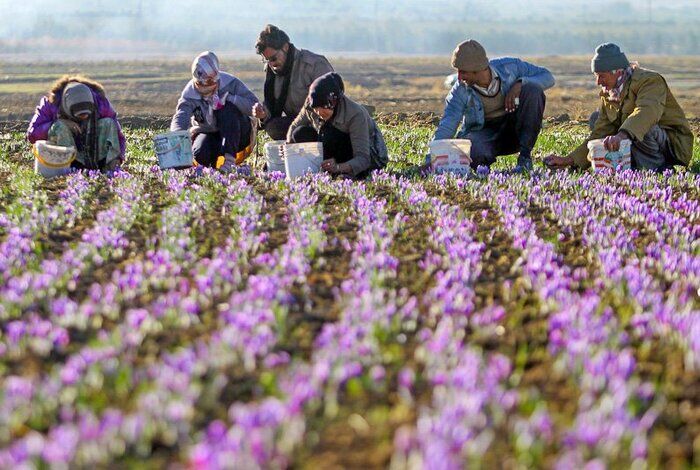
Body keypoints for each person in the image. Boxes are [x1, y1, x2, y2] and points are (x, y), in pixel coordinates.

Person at [545, 43, 693, 171]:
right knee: (596, 119)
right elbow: (600, 132)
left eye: (601, 75)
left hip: (671, 145)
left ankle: (656, 169)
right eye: (596, 75)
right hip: (640, 145)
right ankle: (630, 165)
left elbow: (647, 112)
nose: (598, 82)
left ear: (618, 72)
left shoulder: (650, 81)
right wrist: (569, 160)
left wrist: (622, 135)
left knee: (641, 125)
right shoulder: (610, 94)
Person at [432, 39, 555, 173]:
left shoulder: (510, 67)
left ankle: (525, 158)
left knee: (532, 89)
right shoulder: (459, 91)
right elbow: (447, 126)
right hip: (484, 134)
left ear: (477, 69)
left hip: (516, 131)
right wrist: (432, 161)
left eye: (464, 72)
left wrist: (521, 83)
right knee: (472, 150)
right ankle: (483, 170)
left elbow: (547, 76)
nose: (460, 77)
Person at [286, 72, 388, 178]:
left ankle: (344, 173)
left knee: (331, 133)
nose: (319, 114)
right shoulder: (311, 103)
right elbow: (295, 125)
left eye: (324, 109)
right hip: (333, 145)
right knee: (299, 133)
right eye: (316, 109)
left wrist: (338, 167)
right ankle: (319, 168)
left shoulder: (355, 114)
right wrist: (288, 146)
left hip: (366, 156)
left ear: (334, 103)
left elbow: (363, 158)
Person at [171, 51, 259, 171]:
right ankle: (211, 168)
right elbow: (181, 117)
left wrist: (231, 98)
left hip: (237, 132)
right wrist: (176, 137)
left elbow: (253, 104)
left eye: (211, 82)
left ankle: (229, 161)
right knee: (200, 152)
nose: (207, 86)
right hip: (210, 132)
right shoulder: (189, 94)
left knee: (227, 109)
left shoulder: (230, 83)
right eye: (202, 84)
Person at [26, 75, 125, 172]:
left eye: (86, 114)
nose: (83, 118)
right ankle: (70, 167)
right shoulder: (51, 104)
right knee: (59, 127)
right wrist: (58, 122)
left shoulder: (100, 102)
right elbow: (32, 134)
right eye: (79, 116)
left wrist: (118, 158)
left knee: (109, 123)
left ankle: (107, 167)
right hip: (62, 154)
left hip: (94, 148)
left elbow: (117, 135)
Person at [252, 24, 334, 141]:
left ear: (285, 47)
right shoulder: (273, 71)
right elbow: (272, 106)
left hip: (324, 121)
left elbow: (332, 101)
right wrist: (263, 114)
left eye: (274, 58)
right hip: (297, 123)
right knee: (274, 127)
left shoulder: (314, 65)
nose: (271, 64)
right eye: (267, 60)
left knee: (304, 133)